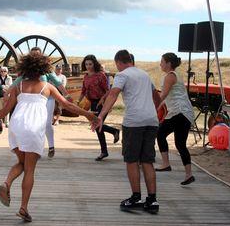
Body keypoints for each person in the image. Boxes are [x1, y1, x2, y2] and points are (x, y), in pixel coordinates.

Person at [0, 53, 96, 222]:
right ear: (43, 69)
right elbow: (67, 105)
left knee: (22, 163)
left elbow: (6, 110)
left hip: (16, 126)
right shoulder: (47, 87)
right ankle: (23, 208)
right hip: (33, 128)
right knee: (29, 170)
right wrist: (88, 114)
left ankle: (7, 183)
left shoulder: (20, 86)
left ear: (26, 68)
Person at [92, 50, 160, 214]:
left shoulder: (122, 75)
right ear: (130, 60)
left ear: (118, 62)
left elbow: (113, 94)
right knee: (147, 161)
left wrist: (100, 116)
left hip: (134, 122)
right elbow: (156, 97)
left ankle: (135, 197)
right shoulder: (145, 74)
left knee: (131, 160)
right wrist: (152, 111)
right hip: (151, 121)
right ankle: (152, 200)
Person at [9, 47, 73, 158]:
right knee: (32, 124)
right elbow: (17, 81)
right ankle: (33, 147)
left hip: (47, 99)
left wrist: (66, 94)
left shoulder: (46, 70)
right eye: (33, 55)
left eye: (37, 55)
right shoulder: (27, 71)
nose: (35, 57)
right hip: (32, 100)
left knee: (46, 123)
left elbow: (57, 82)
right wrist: (8, 91)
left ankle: (51, 146)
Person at [155, 52, 195, 185]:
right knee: (180, 144)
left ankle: (166, 164)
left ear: (168, 63)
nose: (160, 64)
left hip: (179, 111)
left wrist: (153, 106)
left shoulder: (170, 76)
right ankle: (189, 175)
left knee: (160, 134)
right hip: (185, 112)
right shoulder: (175, 75)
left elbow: (164, 95)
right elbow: (165, 97)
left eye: (162, 61)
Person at [77, 54, 120, 161]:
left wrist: (102, 99)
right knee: (98, 128)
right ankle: (105, 149)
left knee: (97, 125)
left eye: (90, 64)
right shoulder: (86, 76)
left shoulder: (101, 75)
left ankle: (112, 136)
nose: (88, 66)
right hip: (92, 103)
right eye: (86, 64)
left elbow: (108, 90)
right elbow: (83, 90)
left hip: (102, 103)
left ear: (94, 64)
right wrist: (78, 101)